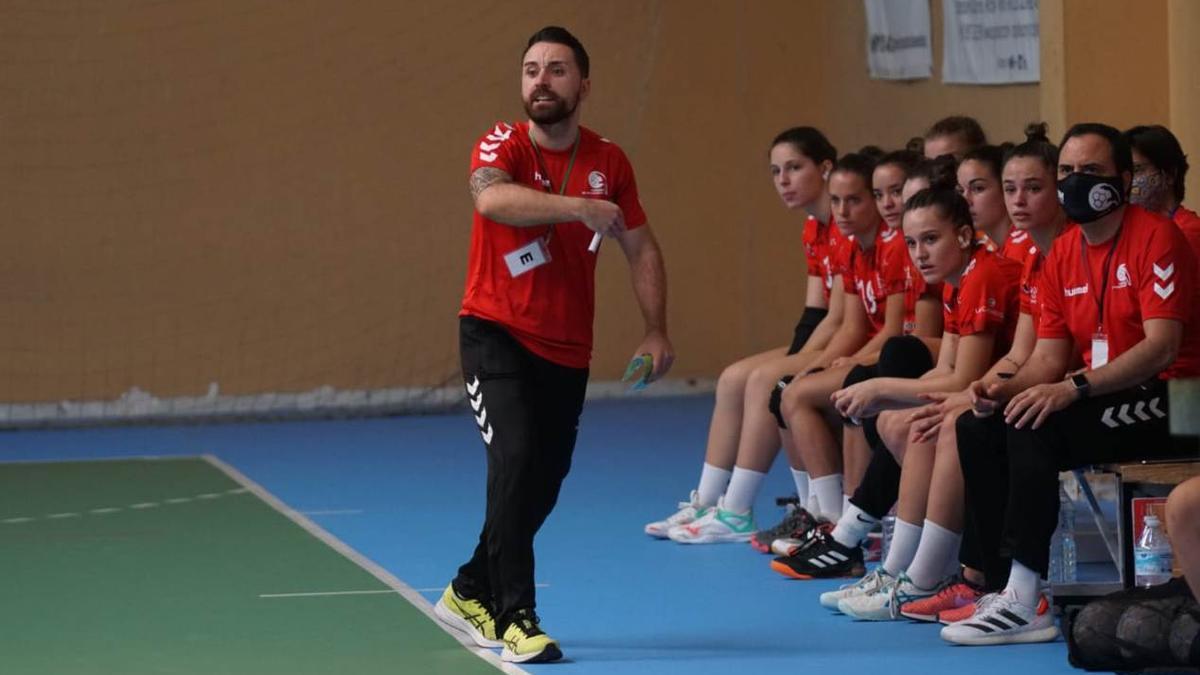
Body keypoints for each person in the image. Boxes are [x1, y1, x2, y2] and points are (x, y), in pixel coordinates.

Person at [434, 26, 673, 664]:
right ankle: (516, 617)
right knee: (513, 459)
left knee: (543, 483)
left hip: (566, 347)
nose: (541, 80)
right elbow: (493, 201)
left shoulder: (610, 162)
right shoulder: (502, 143)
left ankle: (466, 588)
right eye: (532, 69)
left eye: (557, 70)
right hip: (495, 332)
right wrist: (574, 209)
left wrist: (655, 328)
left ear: (584, 86)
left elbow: (641, 245)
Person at [942, 122, 1200, 646]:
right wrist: (1003, 388)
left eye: (1092, 171)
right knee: (980, 426)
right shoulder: (1063, 253)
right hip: (1113, 393)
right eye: (1066, 171)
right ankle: (1000, 586)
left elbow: (1160, 348)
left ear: (1124, 180)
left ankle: (1026, 598)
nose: (1075, 182)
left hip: (1183, 398)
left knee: (1043, 424)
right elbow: (1046, 358)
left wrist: (1073, 388)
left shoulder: (1157, 235)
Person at [644, 128, 843, 544]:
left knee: (764, 380)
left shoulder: (843, 226)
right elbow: (814, 310)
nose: (783, 180)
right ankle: (709, 499)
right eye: (775, 171)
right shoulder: (813, 228)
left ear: (825, 168)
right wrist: (797, 353)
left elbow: (841, 317)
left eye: (794, 168)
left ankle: (737, 511)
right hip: (829, 329)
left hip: (848, 338)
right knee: (735, 376)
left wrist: (800, 362)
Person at [1125, 124, 1200, 255]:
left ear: (1170, 174)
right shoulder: (1131, 230)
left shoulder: (1188, 232)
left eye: (1137, 170)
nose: (1128, 180)